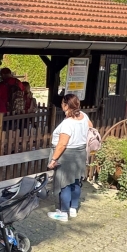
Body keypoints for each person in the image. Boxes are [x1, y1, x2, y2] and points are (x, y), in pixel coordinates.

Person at [47, 94, 92, 222]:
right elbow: (90, 127)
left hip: (67, 155)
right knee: (76, 181)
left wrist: (54, 159)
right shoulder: (83, 116)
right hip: (80, 153)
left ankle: (63, 212)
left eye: (63, 103)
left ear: (66, 105)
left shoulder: (68, 123)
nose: (61, 105)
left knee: (64, 183)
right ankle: (73, 208)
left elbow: (62, 144)